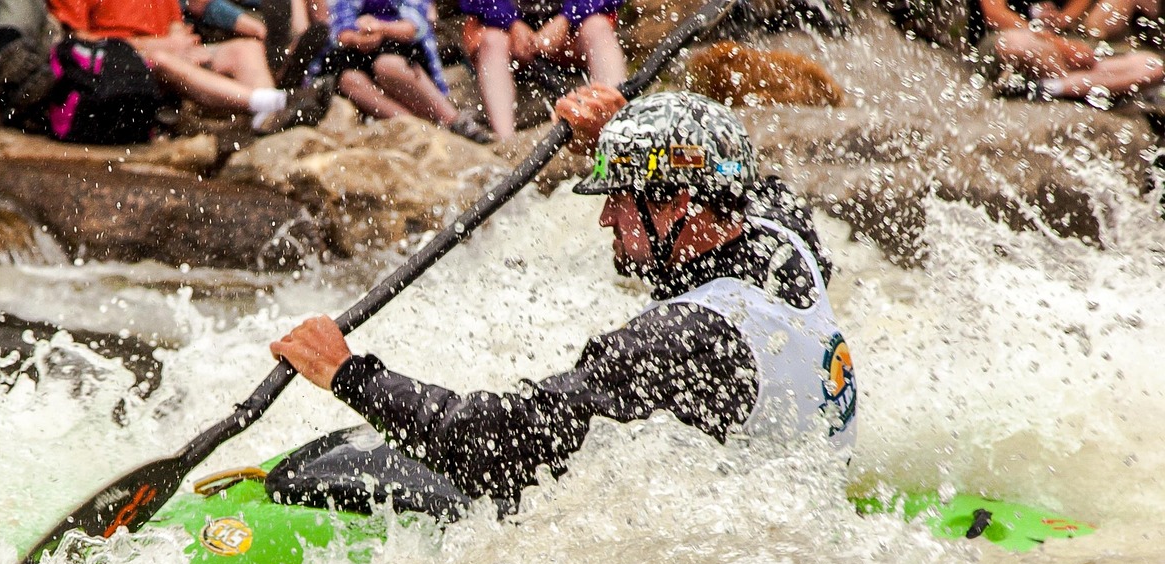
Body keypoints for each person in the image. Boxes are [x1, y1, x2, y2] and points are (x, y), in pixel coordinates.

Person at [270, 84, 858, 507]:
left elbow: (502, 442)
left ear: (676, 203)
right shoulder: (786, 239)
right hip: (808, 499)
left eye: (621, 196)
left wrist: (348, 374)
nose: (606, 217)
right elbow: (746, 179)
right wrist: (625, 131)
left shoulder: (684, 340)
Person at [48, 0, 331, 133]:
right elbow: (75, 40)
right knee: (163, 60)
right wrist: (159, 46)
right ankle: (276, 101)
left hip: (171, 52)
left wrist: (184, 44)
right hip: (118, 61)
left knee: (245, 49)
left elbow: (174, 25)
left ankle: (265, 120)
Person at [303, 0, 491, 141]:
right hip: (359, 51)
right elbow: (340, 30)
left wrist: (381, 28)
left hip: (401, 47)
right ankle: (417, 128)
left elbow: (414, 27)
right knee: (349, 79)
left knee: (387, 66)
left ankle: (454, 120)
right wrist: (356, 39)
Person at [459, 0, 627, 140]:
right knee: (492, 40)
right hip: (507, 35)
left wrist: (567, 18)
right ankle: (506, 139)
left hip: (571, 33)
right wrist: (510, 23)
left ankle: (618, 118)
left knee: (597, 27)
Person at [977, 0, 1165, 103]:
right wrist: (1061, 44)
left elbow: (1073, 18)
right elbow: (994, 15)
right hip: (1020, 44)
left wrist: (1063, 19)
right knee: (1015, 42)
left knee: (1152, 66)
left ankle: (1047, 88)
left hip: (1066, 53)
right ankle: (1093, 85)